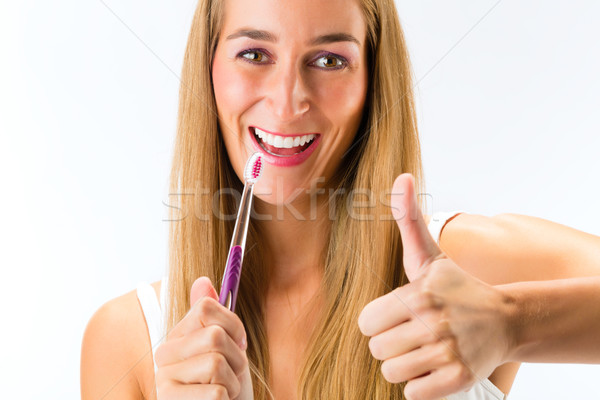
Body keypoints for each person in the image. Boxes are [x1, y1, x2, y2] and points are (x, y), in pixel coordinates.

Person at [80, 0, 600, 399]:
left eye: (329, 60)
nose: (287, 101)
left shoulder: (461, 271)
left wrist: (510, 323)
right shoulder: (126, 341)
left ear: (373, 80)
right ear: (208, 68)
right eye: (254, 54)